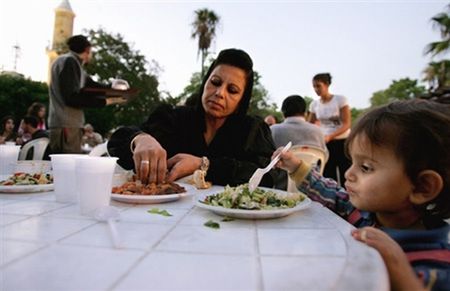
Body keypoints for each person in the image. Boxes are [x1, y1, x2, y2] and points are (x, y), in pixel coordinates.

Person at [274, 99, 450, 290]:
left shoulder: (436, 262)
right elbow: (331, 193)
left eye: (365, 167)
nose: (349, 174)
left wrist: (397, 266)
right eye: (353, 162)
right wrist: (295, 165)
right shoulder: (361, 213)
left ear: (422, 187)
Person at [108, 48, 283, 187]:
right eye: (215, 82)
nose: (219, 93)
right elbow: (117, 142)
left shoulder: (252, 130)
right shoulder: (173, 117)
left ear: (242, 99)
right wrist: (139, 139)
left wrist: (204, 165)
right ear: (205, 82)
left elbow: (267, 176)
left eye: (232, 90)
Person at [48, 34, 128, 154]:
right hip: (67, 124)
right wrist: (107, 101)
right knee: (67, 167)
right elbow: (71, 97)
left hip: (67, 124)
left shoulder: (74, 65)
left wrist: (114, 90)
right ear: (87, 50)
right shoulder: (70, 62)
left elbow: (93, 86)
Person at [309, 73, 351, 185]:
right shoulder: (314, 104)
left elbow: (347, 124)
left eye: (318, 86)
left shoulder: (340, 100)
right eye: (314, 86)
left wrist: (331, 136)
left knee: (346, 173)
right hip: (325, 143)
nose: (316, 89)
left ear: (327, 84)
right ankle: (331, 200)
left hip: (342, 141)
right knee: (328, 174)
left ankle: (348, 200)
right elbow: (310, 124)